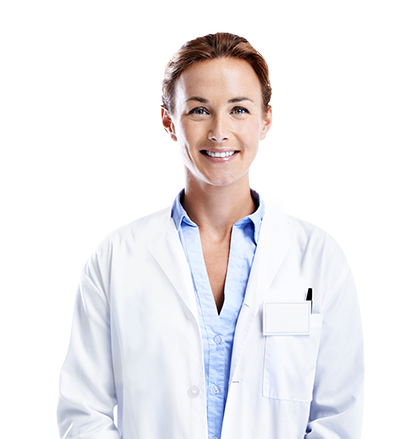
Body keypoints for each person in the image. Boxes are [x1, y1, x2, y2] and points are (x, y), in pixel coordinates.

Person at [57, 31, 363, 438]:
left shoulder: (320, 261)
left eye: (239, 110)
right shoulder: (116, 260)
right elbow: (84, 414)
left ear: (265, 120)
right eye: (199, 111)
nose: (220, 131)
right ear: (170, 122)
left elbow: (340, 419)